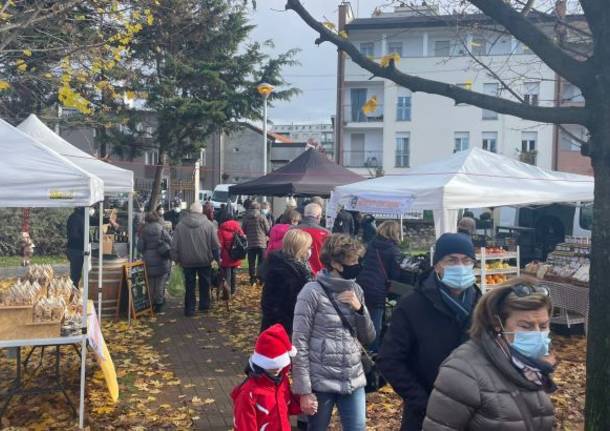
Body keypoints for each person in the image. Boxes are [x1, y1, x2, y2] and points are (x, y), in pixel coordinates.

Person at [378, 233, 482, 431]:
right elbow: (389, 359)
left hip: (473, 415)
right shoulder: (412, 305)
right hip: (424, 416)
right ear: (437, 265)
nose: (460, 266)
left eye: (466, 260)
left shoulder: (482, 305)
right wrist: (424, 402)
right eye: (451, 260)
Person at [424, 279, 555, 431]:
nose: (538, 334)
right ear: (497, 324)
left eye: (544, 326)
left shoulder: (532, 367)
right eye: (526, 326)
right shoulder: (463, 371)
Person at [292, 234, 375, 431]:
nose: (357, 265)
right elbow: (299, 342)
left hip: (352, 378)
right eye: (352, 261)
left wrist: (360, 310)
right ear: (336, 264)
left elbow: (369, 337)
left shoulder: (356, 290)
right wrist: (304, 390)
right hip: (321, 382)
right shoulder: (311, 292)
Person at [231, 324, 311, 431]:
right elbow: (244, 426)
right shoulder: (248, 393)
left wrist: (303, 402)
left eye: (280, 364)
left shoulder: (282, 381)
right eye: (271, 365)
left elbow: (287, 406)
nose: (277, 368)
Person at [356, 220, 403, 352]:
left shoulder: (370, 244)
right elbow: (395, 275)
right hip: (377, 288)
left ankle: (360, 347)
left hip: (362, 283)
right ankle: (373, 351)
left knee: (361, 317)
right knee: (375, 323)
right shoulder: (393, 250)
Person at [171, 202, 220, 317]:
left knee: (189, 285)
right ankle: (204, 305)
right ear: (201, 211)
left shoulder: (180, 225)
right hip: (205, 260)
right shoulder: (209, 225)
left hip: (186, 261)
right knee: (205, 283)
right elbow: (215, 245)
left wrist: (176, 258)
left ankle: (190, 309)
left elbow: (174, 245)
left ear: (190, 211)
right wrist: (216, 260)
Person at [261, 229, 313, 335]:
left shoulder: (300, 266)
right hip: (284, 326)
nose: (310, 250)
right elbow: (272, 304)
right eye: (308, 247)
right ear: (300, 248)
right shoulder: (282, 271)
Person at [137, 211, 172, 313]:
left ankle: (151, 304)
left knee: (151, 284)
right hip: (161, 260)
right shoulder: (161, 229)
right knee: (160, 283)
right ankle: (159, 304)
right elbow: (170, 241)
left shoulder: (143, 231)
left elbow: (140, 247)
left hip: (148, 261)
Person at [294, 203, 330, 275]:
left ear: (304, 214)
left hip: (295, 271)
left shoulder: (292, 230)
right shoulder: (326, 233)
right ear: (318, 216)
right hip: (319, 273)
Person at [241, 202, 270, 285]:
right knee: (261, 262)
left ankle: (252, 279)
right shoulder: (262, 217)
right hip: (262, 243)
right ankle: (261, 279)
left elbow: (243, 230)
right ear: (259, 208)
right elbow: (268, 230)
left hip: (251, 243)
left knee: (251, 262)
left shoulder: (246, 217)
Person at [217, 213, 245, 295]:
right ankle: (233, 290)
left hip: (226, 255)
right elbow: (243, 239)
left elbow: (220, 244)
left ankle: (227, 291)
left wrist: (219, 256)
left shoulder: (221, 230)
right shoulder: (238, 227)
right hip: (236, 253)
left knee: (226, 274)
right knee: (233, 272)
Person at [66, 207, 86, 288]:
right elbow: (74, 235)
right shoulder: (75, 218)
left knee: (76, 274)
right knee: (75, 275)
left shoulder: (80, 217)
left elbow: (93, 220)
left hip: (76, 248)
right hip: (75, 249)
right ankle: (73, 294)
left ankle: (74, 291)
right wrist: (84, 239)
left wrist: (107, 220)